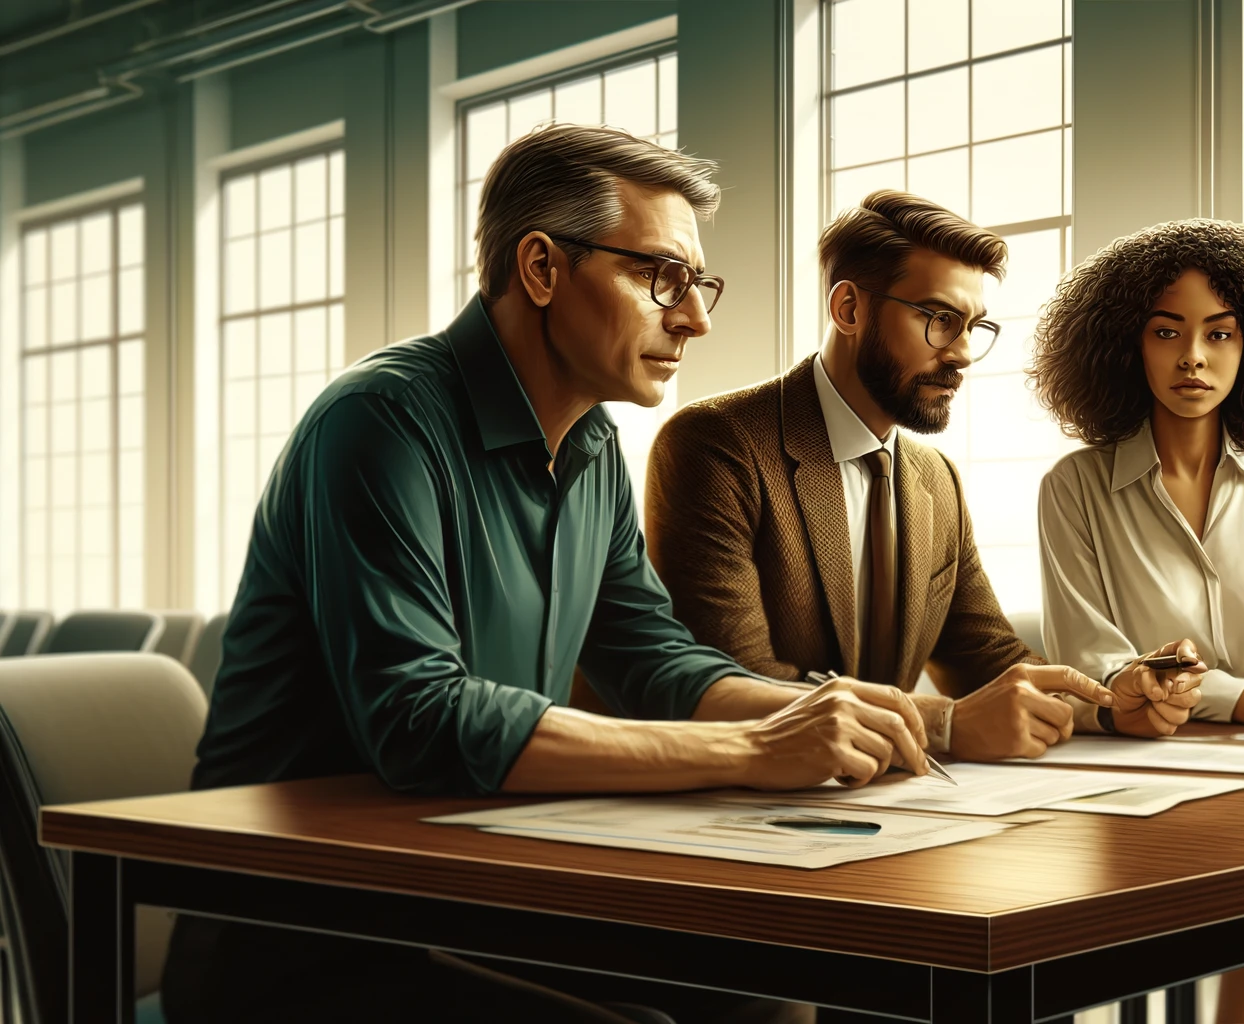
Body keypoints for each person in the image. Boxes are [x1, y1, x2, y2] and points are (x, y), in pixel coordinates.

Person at [162, 126, 935, 1024]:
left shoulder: (593, 446)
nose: (695, 317)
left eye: (697, 284)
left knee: (770, 996)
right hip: (297, 925)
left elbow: (652, 662)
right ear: (541, 269)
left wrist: (837, 714)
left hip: (477, 890)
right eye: (662, 278)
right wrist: (757, 751)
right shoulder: (379, 422)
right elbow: (421, 721)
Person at [1029, 218, 1244, 1022]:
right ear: (1129, 346)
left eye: (1219, 334)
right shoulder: (1074, 488)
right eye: (1168, 332)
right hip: (1140, 800)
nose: (1193, 357)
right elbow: (1101, 666)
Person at [644, 190, 1134, 764]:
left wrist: (1109, 702)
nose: (964, 353)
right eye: (939, 319)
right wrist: (945, 725)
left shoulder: (936, 479)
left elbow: (987, 660)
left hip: (887, 804)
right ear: (848, 309)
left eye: (974, 325)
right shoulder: (716, 444)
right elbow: (735, 682)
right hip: (735, 806)